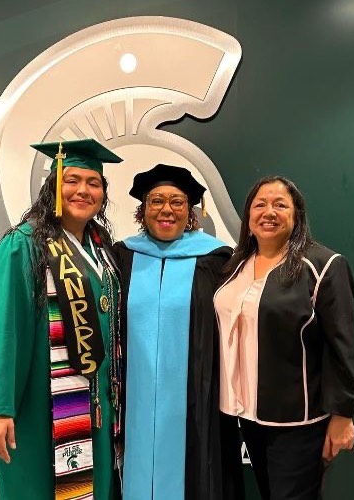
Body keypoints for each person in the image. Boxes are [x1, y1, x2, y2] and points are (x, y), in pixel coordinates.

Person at [0, 138, 123, 500]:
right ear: (53, 186)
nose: (82, 190)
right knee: (39, 487)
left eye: (93, 183)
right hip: (42, 403)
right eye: (71, 180)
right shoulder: (24, 244)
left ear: (103, 193)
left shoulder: (100, 247)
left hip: (96, 404)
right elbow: (3, 329)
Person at [214, 175, 354, 500]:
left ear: (297, 217)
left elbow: (341, 347)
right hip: (246, 414)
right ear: (248, 215)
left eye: (280, 205)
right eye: (260, 204)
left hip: (297, 421)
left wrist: (343, 415)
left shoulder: (322, 265)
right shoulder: (235, 265)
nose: (269, 212)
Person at [113, 164, 244, 500]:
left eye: (177, 202)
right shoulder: (122, 256)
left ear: (190, 211)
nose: (166, 209)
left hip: (195, 396)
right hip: (133, 394)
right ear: (143, 210)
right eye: (156, 201)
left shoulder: (215, 260)